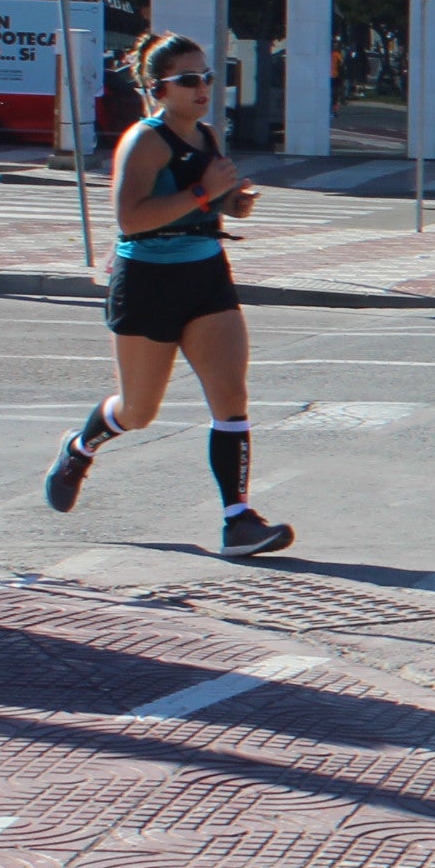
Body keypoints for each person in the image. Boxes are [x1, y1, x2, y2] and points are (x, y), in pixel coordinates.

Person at [40, 33, 293, 557]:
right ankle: (80, 447)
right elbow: (130, 219)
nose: (204, 87)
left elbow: (211, 207)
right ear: (158, 89)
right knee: (138, 411)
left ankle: (237, 520)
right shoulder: (145, 140)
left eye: (208, 76)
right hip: (148, 282)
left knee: (231, 397)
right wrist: (202, 192)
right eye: (190, 80)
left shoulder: (207, 135)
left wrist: (233, 201)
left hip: (205, 274)